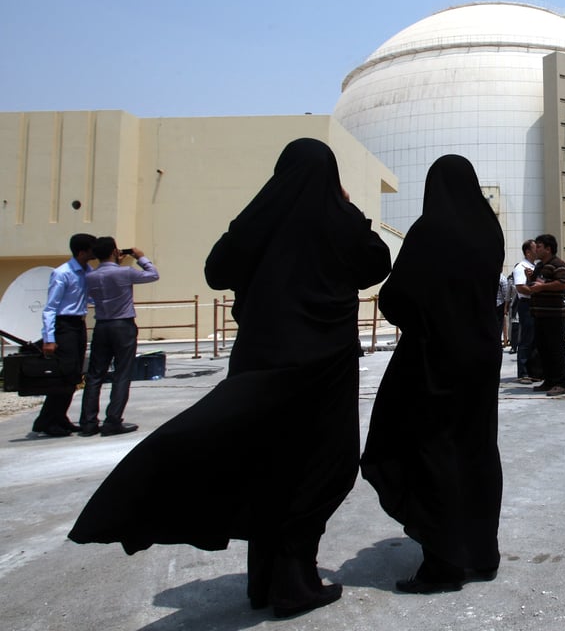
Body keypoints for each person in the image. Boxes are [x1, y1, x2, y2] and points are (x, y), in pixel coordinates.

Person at [69, 138, 392, 618]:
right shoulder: (340, 220)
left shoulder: (258, 217)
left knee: (264, 460)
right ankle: (293, 580)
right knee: (320, 466)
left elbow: (217, 272)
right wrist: (350, 212)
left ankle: (267, 580)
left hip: (262, 359)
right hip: (324, 368)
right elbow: (377, 265)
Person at [362, 154, 504, 595]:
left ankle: (444, 563)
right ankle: (481, 553)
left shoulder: (430, 231)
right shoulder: (489, 230)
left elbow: (396, 296)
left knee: (432, 450)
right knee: (476, 449)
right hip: (481, 357)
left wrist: (421, 318)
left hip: (434, 357)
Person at [77, 237, 160, 437]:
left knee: (95, 375)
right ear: (115, 251)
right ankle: (113, 420)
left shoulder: (91, 276)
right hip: (123, 325)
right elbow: (153, 275)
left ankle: (88, 422)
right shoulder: (125, 272)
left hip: (102, 325)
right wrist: (140, 257)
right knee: (122, 373)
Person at [32, 233, 95, 437]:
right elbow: (50, 308)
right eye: (92, 249)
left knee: (75, 374)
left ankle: (58, 417)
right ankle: (47, 420)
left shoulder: (88, 271)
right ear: (82, 251)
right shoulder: (63, 273)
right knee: (64, 375)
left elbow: (93, 296)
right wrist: (49, 338)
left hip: (78, 325)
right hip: (64, 326)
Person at [525, 233, 565, 396]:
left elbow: (563, 284)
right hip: (540, 314)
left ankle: (562, 383)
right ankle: (550, 380)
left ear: (548, 249)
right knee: (543, 349)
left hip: (554, 316)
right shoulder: (539, 266)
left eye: (538, 246)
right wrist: (529, 279)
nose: (535, 249)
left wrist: (542, 287)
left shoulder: (558, 264)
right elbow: (533, 286)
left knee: (556, 349)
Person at [512, 240, 539, 384]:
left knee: (534, 338)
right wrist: (537, 291)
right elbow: (521, 287)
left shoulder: (534, 267)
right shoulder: (521, 267)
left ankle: (532, 370)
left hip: (533, 304)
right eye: (535, 248)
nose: (537, 250)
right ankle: (523, 372)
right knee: (527, 338)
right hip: (526, 304)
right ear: (528, 252)